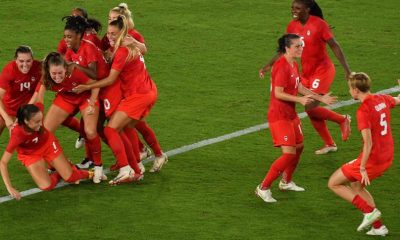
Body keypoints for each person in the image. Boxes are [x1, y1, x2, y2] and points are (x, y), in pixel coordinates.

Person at [73, 16, 162, 184]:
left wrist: (86, 87)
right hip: (144, 90)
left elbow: (110, 79)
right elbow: (143, 49)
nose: (110, 37)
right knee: (126, 127)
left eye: (114, 34)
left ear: (123, 32)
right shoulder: (128, 42)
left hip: (139, 95)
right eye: (108, 33)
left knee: (111, 130)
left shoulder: (123, 50)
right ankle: (136, 168)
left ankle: (126, 168)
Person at [259, 0, 352, 155]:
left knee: (310, 107)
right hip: (306, 74)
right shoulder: (292, 26)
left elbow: (334, 45)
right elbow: (284, 49)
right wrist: (268, 65)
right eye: (292, 8)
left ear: (307, 9)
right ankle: (330, 143)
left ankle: (342, 120)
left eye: (298, 8)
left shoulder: (319, 24)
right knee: (311, 110)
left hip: (323, 71)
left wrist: (347, 70)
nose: (294, 11)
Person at [255, 34, 336, 203]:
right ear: (287, 48)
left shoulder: (293, 64)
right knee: (288, 154)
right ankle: (263, 188)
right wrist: (299, 100)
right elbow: (278, 92)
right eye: (297, 46)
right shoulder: (281, 66)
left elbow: (298, 86)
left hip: (290, 114)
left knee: (299, 147)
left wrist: (320, 98)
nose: (301, 48)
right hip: (279, 115)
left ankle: (286, 182)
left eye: (301, 45)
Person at [328, 72, 399, 236]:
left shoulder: (364, 111)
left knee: (334, 183)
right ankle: (378, 227)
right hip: (387, 155)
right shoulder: (383, 98)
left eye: (350, 88)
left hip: (373, 158)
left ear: (355, 89)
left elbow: (368, 143)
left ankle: (369, 211)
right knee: (356, 185)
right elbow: (398, 100)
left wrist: (362, 167)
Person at [34, 52, 106, 184]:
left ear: (65, 69)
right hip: (66, 97)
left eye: (60, 73)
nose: (57, 77)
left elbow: (95, 84)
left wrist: (92, 102)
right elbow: (39, 97)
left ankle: (98, 166)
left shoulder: (76, 72)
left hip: (85, 97)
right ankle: (61, 166)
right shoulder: (46, 77)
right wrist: (36, 116)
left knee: (90, 131)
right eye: (53, 74)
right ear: (48, 71)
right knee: (44, 132)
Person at [0, 104, 93, 201]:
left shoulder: (36, 113)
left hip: (47, 144)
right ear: (26, 121)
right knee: (46, 186)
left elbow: (38, 93)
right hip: (30, 155)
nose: (41, 124)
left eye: (41, 120)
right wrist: (9, 187)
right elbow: (3, 163)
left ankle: (91, 173)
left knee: (70, 177)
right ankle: (58, 173)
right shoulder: (17, 135)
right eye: (37, 122)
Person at [0, 46, 41, 136]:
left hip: (28, 109)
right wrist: (7, 119)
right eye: (21, 61)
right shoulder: (9, 70)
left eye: (28, 61)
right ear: (16, 60)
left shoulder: (39, 68)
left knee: (31, 139)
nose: (25, 65)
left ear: (33, 60)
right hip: (8, 108)